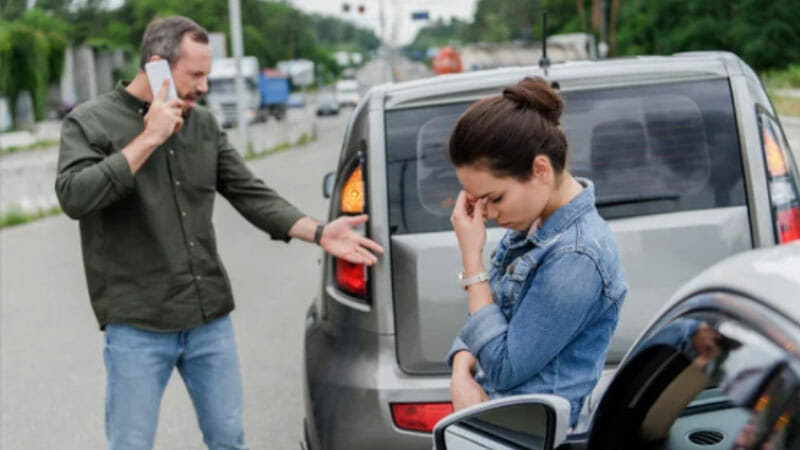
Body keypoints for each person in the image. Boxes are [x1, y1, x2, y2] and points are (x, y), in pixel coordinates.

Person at [54, 16, 383, 450]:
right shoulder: (89, 123)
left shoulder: (203, 125)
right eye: (196, 75)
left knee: (229, 440)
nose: (205, 86)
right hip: (138, 323)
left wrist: (321, 233)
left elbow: (250, 193)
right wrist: (149, 138)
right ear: (157, 65)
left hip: (208, 318)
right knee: (130, 444)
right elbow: (75, 196)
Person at [446, 77, 627, 427]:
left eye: (495, 199)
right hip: (499, 427)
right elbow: (487, 317)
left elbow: (502, 367)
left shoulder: (577, 254)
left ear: (540, 169)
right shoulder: (536, 227)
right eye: (478, 203)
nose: (489, 216)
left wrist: (472, 258)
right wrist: (460, 372)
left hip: (530, 434)